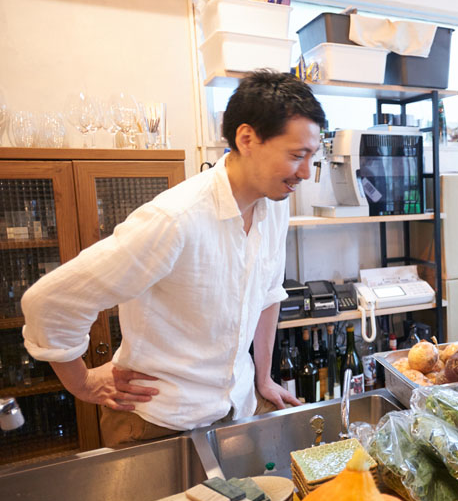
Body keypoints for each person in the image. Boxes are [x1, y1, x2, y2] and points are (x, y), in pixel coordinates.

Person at [21, 69, 326, 447]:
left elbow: (267, 294)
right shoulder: (174, 220)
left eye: (312, 156)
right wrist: (81, 383)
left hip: (237, 407)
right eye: (297, 155)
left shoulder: (273, 204)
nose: (306, 173)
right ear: (247, 139)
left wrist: (263, 377)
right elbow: (48, 302)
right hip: (158, 421)